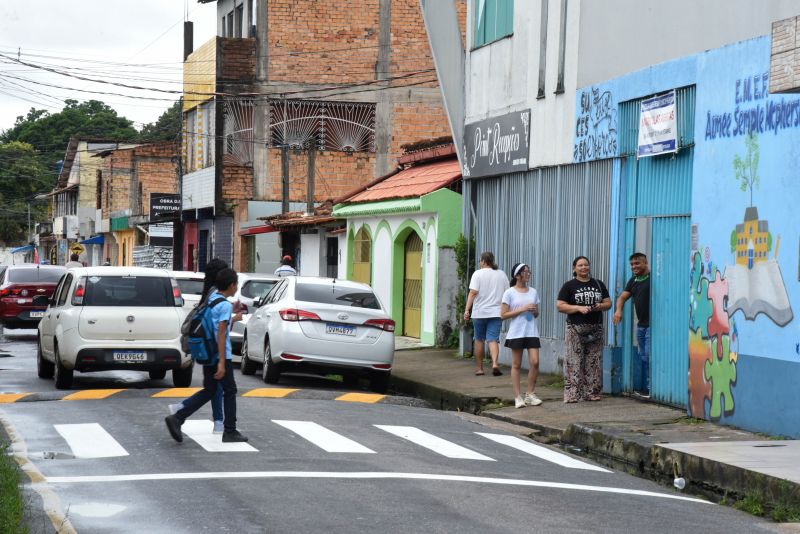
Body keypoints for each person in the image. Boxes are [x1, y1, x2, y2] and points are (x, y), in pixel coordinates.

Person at [165, 268, 249, 443]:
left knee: (210, 390)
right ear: (232, 285)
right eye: (236, 285)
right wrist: (221, 363)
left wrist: (233, 319)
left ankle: (178, 417)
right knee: (230, 390)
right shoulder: (225, 305)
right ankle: (230, 430)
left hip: (208, 352)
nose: (236, 288)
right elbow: (220, 332)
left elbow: (215, 323)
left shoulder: (212, 298)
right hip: (220, 354)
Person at [169, 258, 228, 434]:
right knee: (214, 388)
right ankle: (181, 409)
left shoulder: (208, 292)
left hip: (206, 345)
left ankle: (218, 422)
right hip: (212, 345)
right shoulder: (216, 294)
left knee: (215, 387)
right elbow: (216, 324)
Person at [556, 256, 611, 403]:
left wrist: (600, 306)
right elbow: (560, 305)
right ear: (574, 268)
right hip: (575, 328)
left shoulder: (598, 284)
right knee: (574, 361)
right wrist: (578, 308)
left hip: (595, 328)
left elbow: (608, 303)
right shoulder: (569, 285)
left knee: (594, 361)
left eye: (586, 265)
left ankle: (591, 393)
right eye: (580, 265)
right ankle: (572, 394)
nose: (583, 268)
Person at [500, 263, 543, 409]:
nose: (528, 274)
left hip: (531, 331)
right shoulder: (509, 293)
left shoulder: (533, 292)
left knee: (535, 362)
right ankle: (517, 397)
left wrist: (534, 311)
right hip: (517, 332)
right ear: (517, 275)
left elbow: (536, 314)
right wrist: (522, 309)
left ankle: (530, 394)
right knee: (516, 364)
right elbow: (503, 315)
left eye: (529, 271)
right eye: (525, 272)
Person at [463, 251, 508, 376]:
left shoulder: (477, 274)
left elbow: (472, 293)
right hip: (496, 312)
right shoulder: (502, 274)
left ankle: (480, 368)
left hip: (479, 313)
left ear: (483, 261)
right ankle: (494, 363)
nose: (480, 263)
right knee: (493, 339)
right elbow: (507, 294)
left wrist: (467, 310)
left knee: (479, 340)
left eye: (480, 261)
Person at [613, 252, 651, 397]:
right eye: (632, 264)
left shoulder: (653, 279)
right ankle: (648, 388)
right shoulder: (633, 280)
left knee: (648, 356)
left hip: (653, 325)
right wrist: (618, 310)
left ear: (645, 263)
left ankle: (651, 388)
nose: (634, 266)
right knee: (643, 356)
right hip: (641, 325)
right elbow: (622, 297)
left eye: (637, 263)